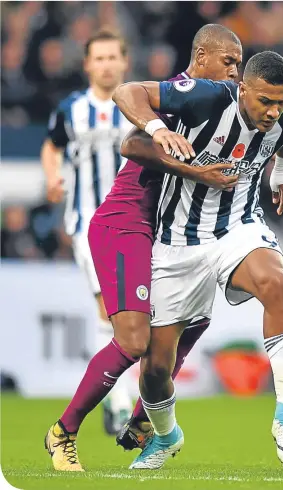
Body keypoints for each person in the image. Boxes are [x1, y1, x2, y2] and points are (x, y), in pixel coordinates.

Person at [44, 23, 244, 473]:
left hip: (169, 233)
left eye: (238, 64)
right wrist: (191, 165)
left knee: (190, 325)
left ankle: (140, 421)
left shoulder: (222, 106)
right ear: (202, 57)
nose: (235, 72)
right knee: (133, 340)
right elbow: (131, 143)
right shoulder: (183, 92)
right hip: (125, 223)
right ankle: (63, 432)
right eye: (228, 61)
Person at [113, 50, 283, 470]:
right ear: (242, 89)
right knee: (154, 370)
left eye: (281, 101)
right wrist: (157, 128)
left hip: (237, 228)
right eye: (264, 101)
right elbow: (125, 91)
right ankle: (166, 436)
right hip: (176, 243)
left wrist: (281, 171)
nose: (274, 112)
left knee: (276, 282)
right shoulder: (204, 98)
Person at [41, 29, 135, 439]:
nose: (107, 64)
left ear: (125, 62)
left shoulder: (138, 107)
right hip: (88, 223)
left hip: (135, 223)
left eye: (113, 56)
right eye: (99, 58)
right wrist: (51, 177)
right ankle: (119, 403)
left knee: (132, 314)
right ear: (87, 64)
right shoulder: (71, 109)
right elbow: (51, 146)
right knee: (109, 308)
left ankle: (120, 401)